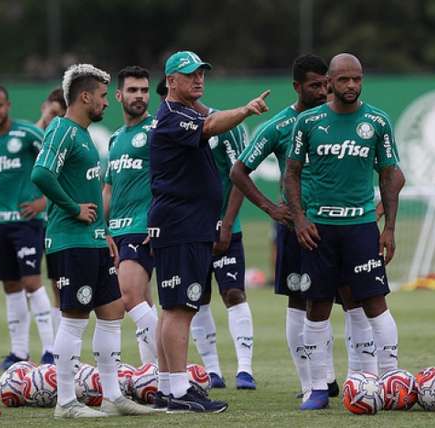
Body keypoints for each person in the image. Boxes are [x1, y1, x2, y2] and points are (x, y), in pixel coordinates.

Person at [31, 64, 158, 418]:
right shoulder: (63, 130)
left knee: (113, 311)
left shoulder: (85, 135)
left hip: (94, 240)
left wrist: (103, 233)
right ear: (85, 97)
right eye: (103, 96)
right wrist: (73, 209)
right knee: (74, 318)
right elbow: (41, 173)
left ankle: (112, 395)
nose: (106, 102)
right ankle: (66, 402)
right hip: (70, 241)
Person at [148, 50, 269, 413]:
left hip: (185, 223)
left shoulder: (181, 111)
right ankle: (177, 390)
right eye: (190, 74)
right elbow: (211, 126)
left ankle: (169, 387)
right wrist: (246, 111)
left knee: (175, 308)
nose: (199, 78)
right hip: (180, 224)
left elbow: (207, 117)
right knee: (180, 308)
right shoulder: (172, 116)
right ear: (171, 81)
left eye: (202, 73)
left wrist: (208, 108)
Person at [284, 53, 405, 410]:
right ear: (329, 83)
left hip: (362, 227)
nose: (351, 85)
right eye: (344, 80)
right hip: (319, 230)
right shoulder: (308, 122)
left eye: (357, 79)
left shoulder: (377, 122)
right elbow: (290, 174)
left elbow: (389, 176)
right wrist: (301, 219)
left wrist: (390, 228)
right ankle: (318, 388)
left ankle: (390, 379)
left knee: (375, 304)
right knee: (317, 305)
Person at [231, 54, 350, 399]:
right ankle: (311, 383)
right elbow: (238, 171)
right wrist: (271, 208)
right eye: (315, 85)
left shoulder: (338, 118)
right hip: (298, 227)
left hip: (338, 225)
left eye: (325, 83)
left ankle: (338, 377)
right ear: (297, 87)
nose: (322, 90)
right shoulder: (280, 126)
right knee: (300, 301)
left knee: (344, 299)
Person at [0, 84, 55, 370]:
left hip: (27, 222)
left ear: (8, 105)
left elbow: (55, 162)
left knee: (32, 282)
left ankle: (50, 351)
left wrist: (44, 201)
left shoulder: (27, 133)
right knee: (11, 285)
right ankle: (19, 353)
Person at [190, 121, 256, 390]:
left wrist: (226, 224)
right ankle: (212, 370)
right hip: (191, 230)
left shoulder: (222, 127)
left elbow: (239, 175)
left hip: (225, 228)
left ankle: (245, 369)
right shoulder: (170, 130)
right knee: (197, 297)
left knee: (233, 293)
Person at [102, 66, 159, 365]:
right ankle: (153, 373)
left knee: (129, 298)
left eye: (144, 90)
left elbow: (171, 178)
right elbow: (109, 188)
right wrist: (102, 227)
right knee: (144, 302)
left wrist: (160, 219)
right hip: (117, 231)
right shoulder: (115, 138)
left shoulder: (156, 131)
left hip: (142, 226)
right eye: (133, 90)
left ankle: (173, 370)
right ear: (119, 95)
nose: (140, 96)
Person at [35, 87, 67, 333]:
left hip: (62, 223)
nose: (50, 118)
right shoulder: (38, 137)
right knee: (54, 286)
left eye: (57, 113)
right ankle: (56, 349)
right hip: (43, 225)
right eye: (49, 111)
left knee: (63, 288)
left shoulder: (66, 139)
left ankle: (60, 347)